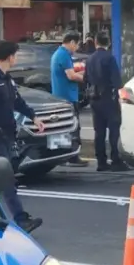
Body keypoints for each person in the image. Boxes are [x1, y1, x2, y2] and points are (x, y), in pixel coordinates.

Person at [0, 40, 45, 232]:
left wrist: (34, 117)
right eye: (16, 55)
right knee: (7, 179)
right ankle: (21, 220)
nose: (16, 58)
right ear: (10, 56)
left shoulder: (6, 78)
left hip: (6, 136)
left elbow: (17, 102)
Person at [85, 33, 128, 172]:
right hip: (108, 98)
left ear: (96, 42)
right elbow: (117, 81)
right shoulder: (109, 58)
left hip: (94, 98)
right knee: (114, 130)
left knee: (99, 131)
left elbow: (85, 78)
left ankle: (101, 162)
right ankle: (115, 160)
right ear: (108, 43)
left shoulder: (89, 59)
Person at [50, 32, 88, 167]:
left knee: (62, 127)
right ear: (71, 42)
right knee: (72, 127)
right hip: (67, 97)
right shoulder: (64, 55)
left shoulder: (58, 54)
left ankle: (62, 156)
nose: (77, 47)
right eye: (77, 44)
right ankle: (72, 157)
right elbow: (71, 76)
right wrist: (86, 78)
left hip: (61, 96)